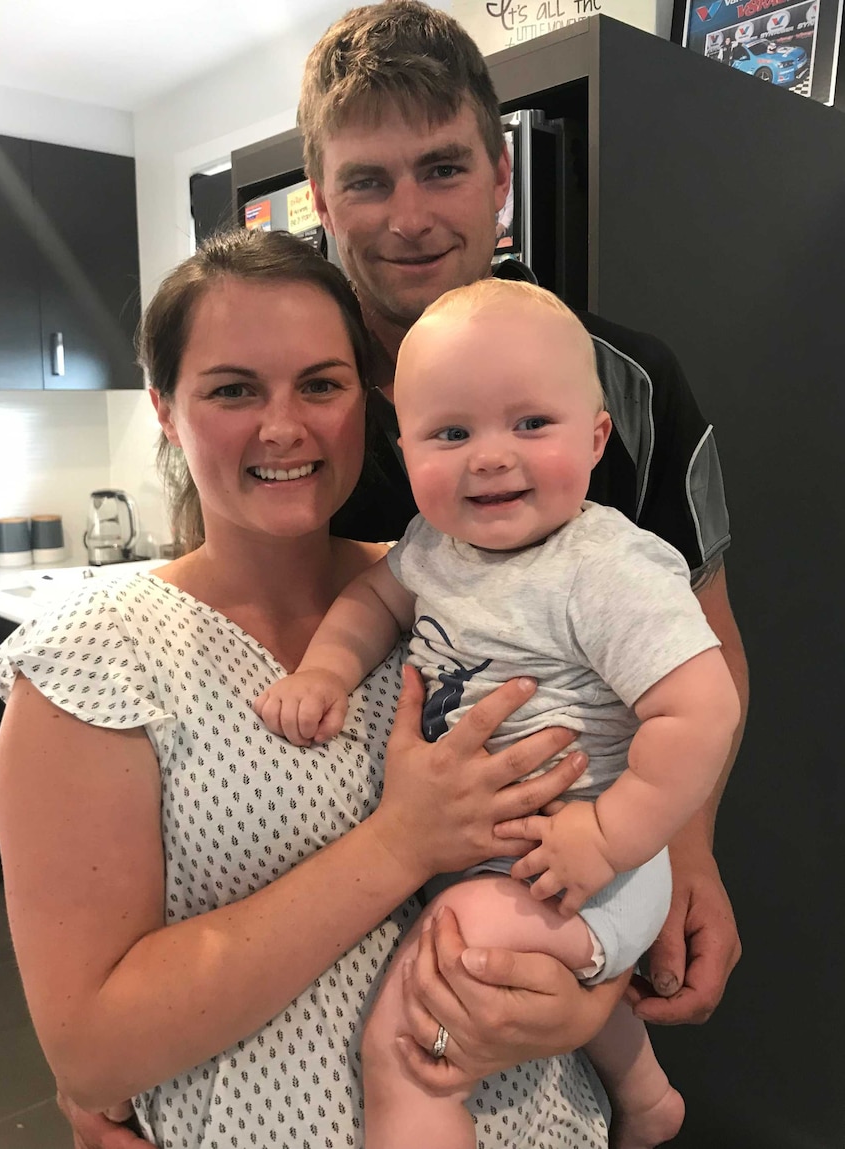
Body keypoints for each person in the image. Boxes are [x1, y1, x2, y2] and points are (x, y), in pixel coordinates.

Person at [57, 0, 749, 1142]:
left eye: (442, 168)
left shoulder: (618, 382)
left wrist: (686, 855)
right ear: (322, 201)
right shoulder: (305, 394)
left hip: (547, 879)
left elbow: (704, 643)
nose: (410, 216)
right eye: (369, 181)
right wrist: (110, 1071)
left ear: (499, 179)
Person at [0, 229, 634, 1149]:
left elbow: (599, 822)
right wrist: (401, 845)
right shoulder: (97, 657)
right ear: (166, 408)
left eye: (320, 384)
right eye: (233, 389)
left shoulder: (460, 592)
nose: (283, 426)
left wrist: (586, 1003)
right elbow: (91, 1050)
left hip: (552, 1119)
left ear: (368, 404)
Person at [256, 278, 741, 1149]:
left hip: (590, 868)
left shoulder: (607, 567)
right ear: (404, 451)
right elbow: (376, 602)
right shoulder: (434, 549)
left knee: (407, 1026)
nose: (489, 455)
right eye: (451, 432)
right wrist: (328, 668)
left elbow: (704, 707)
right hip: (495, 857)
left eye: (530, 425)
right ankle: (645, 1092)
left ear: (596, 439)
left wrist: (605, 836)